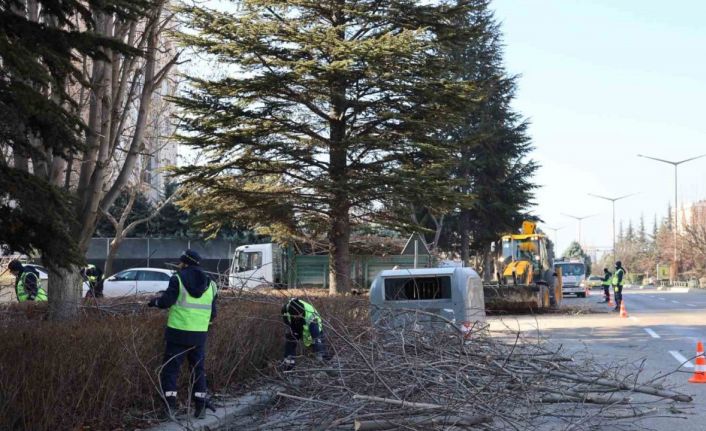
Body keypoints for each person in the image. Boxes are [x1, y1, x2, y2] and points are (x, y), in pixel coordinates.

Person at [147, 250, 217, 419]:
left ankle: (169, 408)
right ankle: (200, 407)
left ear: (185, 263)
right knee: (198, 370)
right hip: (199, 335)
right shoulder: (212, 284)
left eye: (180, 262)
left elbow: (165, 302)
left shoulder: (177, 278)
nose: (179, 264)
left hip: (177, 333)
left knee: (171, 370)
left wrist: (154, 302)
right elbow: (213, 313)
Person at [281, 298, 326, 370]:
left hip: (312, 325)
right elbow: (284, 316)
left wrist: (319, 355)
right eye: (295, 316)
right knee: (290, 341)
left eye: (299, 315)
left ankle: (322, 362)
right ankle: (288, 365)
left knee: (317, 342)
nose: (297, 316)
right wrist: (289, 326)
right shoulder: (286, 308)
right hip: (295, 325)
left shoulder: (311, 316)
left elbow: (316, 337)